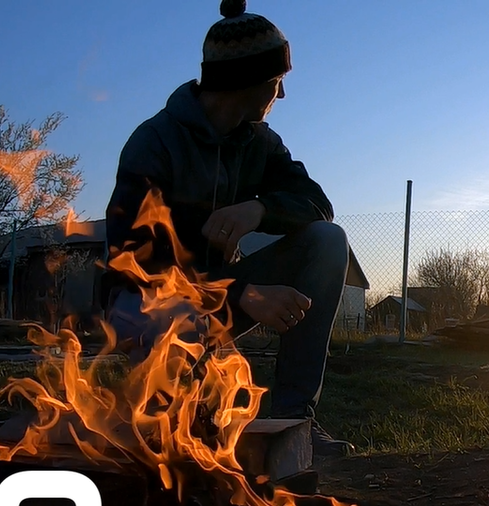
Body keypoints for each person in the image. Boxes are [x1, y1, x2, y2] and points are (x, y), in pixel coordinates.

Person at [104, 0, 353, 455]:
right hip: (144, 303)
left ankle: (293, 424)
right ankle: (172, 412)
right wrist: (244, 295)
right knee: (178, 431)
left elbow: (319, 204)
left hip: (220, 295)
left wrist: (259, 209)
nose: (281, 96)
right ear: (247, 81)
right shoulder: (154, 144)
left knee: (327, 241)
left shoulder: (259, 143)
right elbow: (134, 259)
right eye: (277, 82)